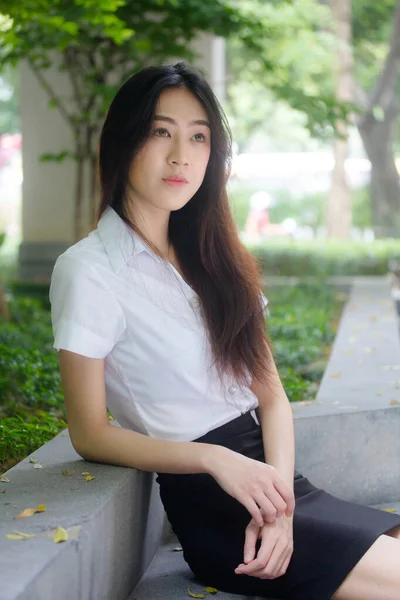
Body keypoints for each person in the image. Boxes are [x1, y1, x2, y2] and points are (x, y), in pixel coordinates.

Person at [49, 61, 400, 600]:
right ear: (123, 142)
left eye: (198, 137)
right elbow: (89, 432)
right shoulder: (89, 270)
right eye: (160, 132)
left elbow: (274, 399)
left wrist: (280, 506)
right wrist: (216, 459)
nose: (180, 156)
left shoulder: (216, 258)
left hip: (278, 489)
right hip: (218, 509)